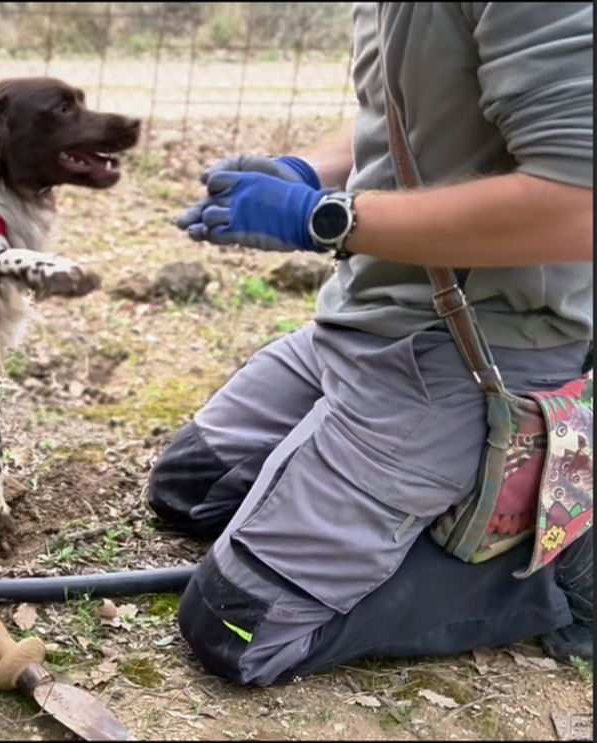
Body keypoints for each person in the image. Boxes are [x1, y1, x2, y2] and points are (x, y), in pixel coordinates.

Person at [147, 2, 593, 686]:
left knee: (237, 625)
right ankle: (399, 505)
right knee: (189, 488)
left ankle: (555, 567)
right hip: (370, 315)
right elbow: (400, 115)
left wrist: (327, 219)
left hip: (480, 345)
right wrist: (303, 173)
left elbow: (578, 203)